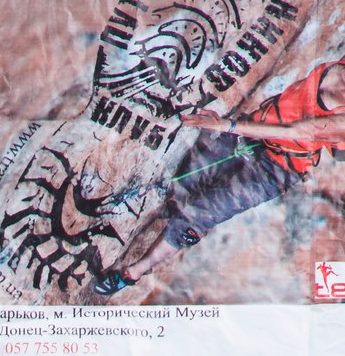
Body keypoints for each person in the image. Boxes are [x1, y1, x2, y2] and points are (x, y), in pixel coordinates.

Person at [94, 59, 345, 294]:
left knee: (203, 212)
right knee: (185, 182)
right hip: (253, 131)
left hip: (277, 167)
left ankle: (131, 274)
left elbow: (294, 131)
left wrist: (228, 126)